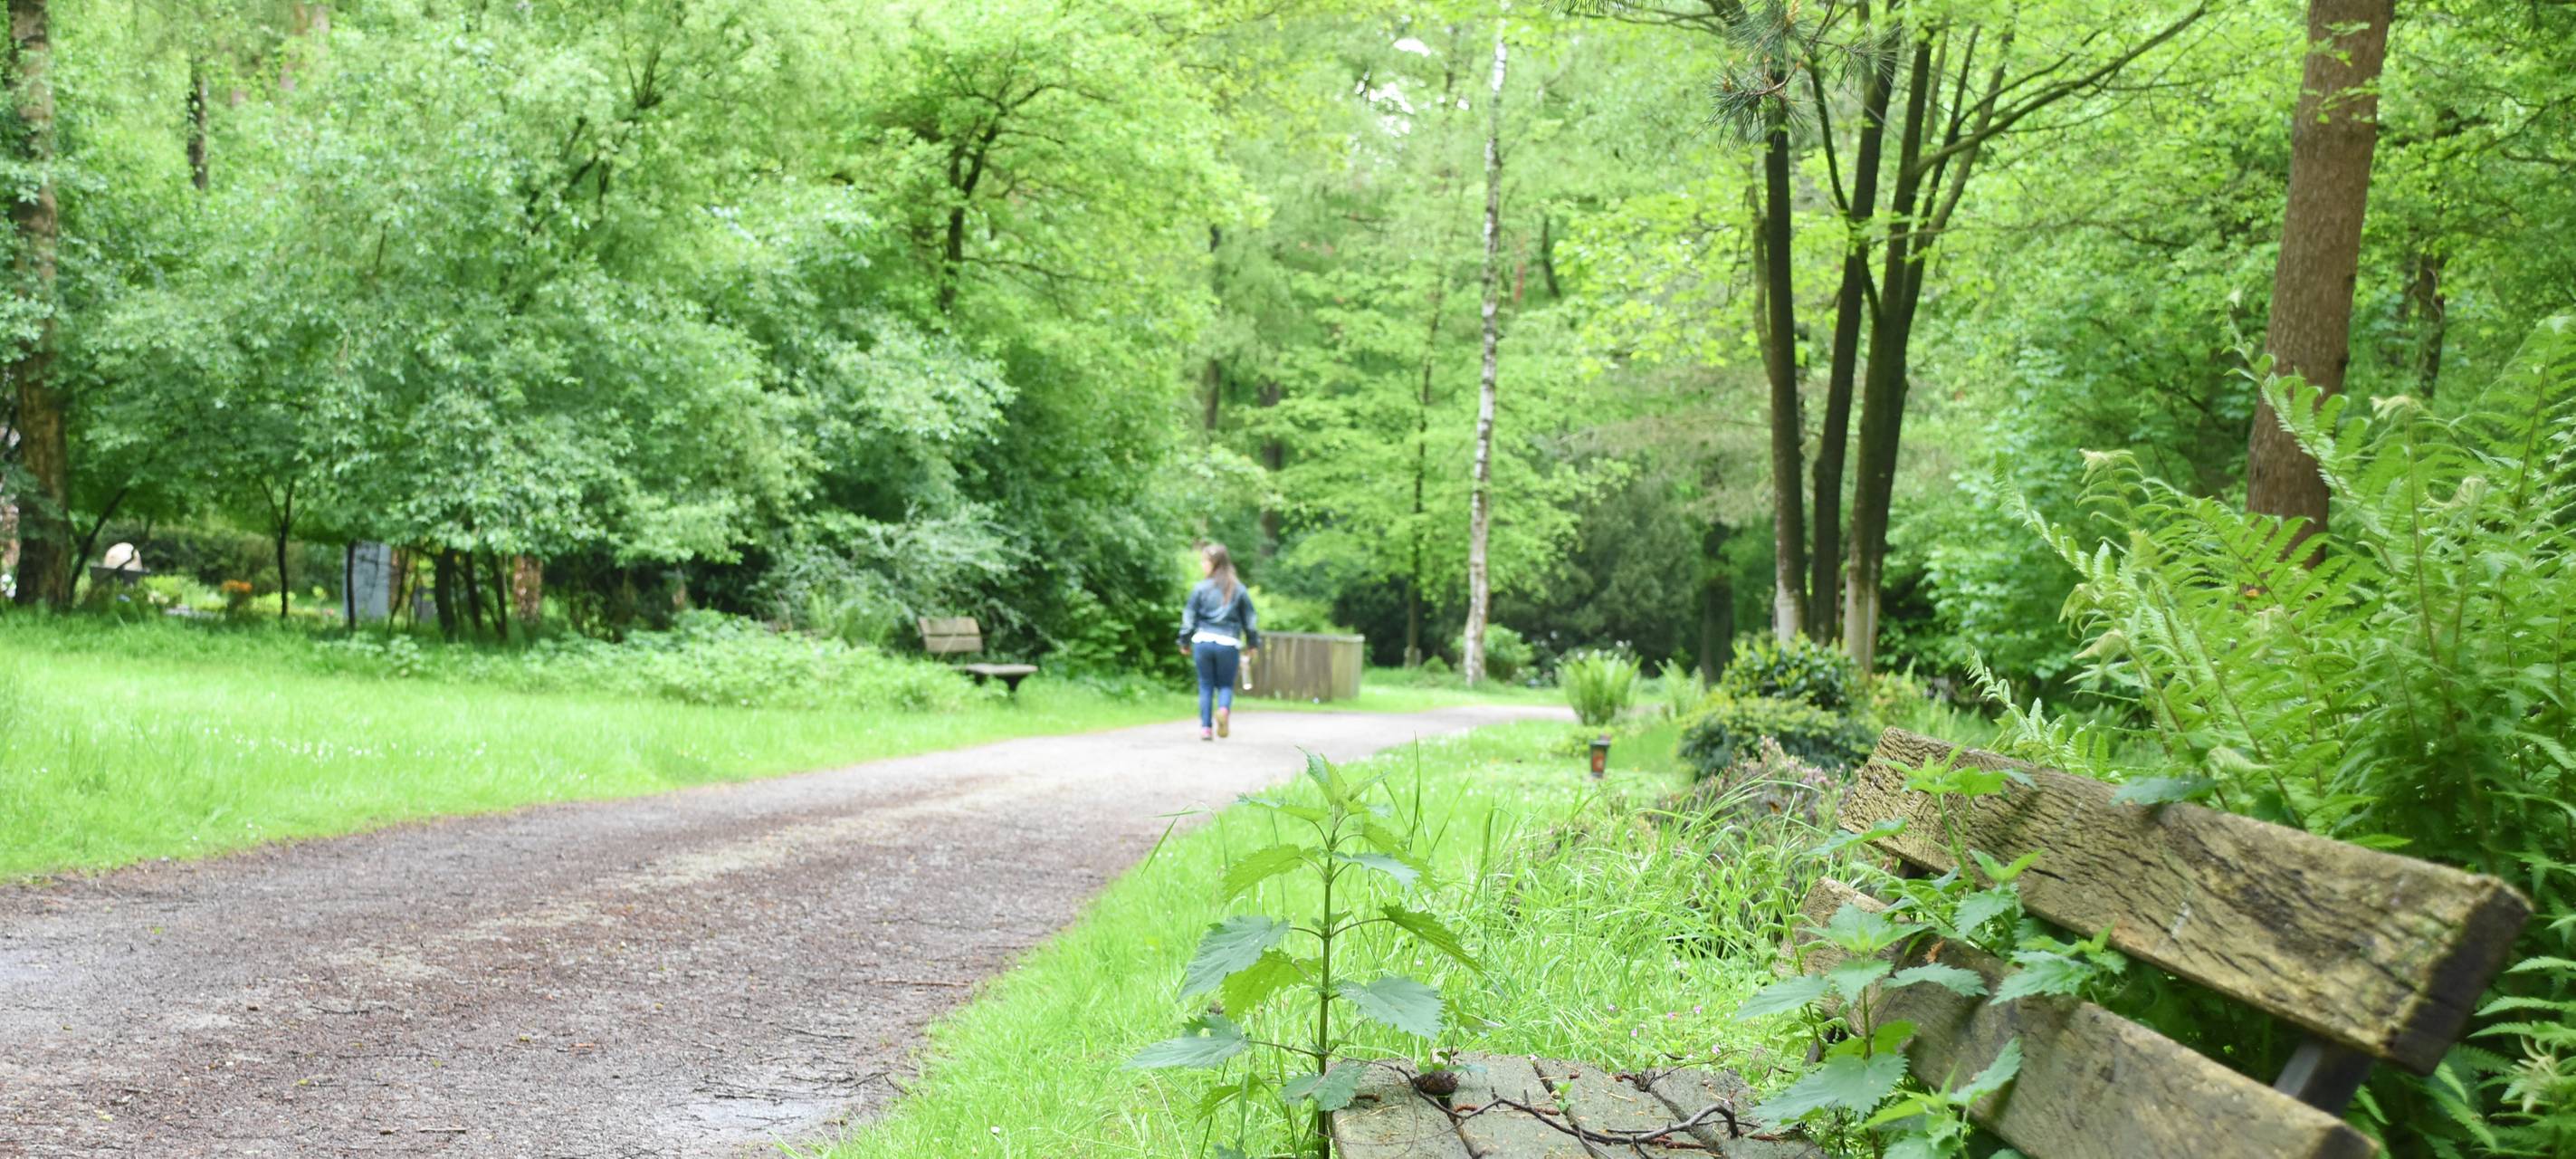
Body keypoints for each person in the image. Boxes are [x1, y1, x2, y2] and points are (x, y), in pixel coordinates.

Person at [1178, 542, 1259, 742]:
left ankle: (1206, 728)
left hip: (1203, 640)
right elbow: (1250, 619)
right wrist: (1252, 644)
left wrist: (1184, 641)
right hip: (1228, 643)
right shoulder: (1238, 589)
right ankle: (1223, 710)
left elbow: (1189, 616)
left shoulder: (1200, 588)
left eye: (1204, 561)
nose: (1202, 564)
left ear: (1213, 563)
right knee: (1225, 685)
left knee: (1205, 685)